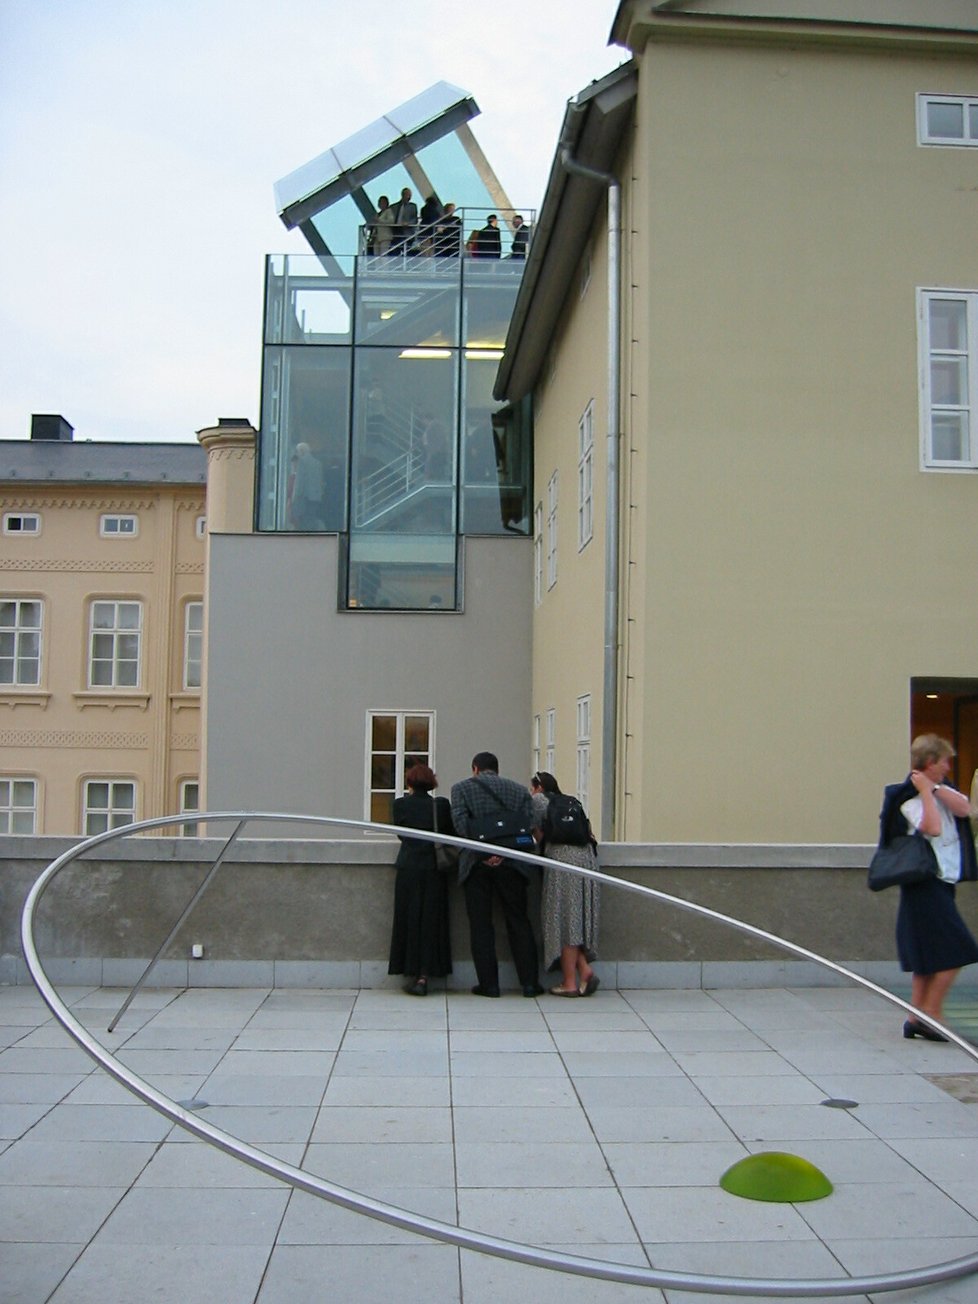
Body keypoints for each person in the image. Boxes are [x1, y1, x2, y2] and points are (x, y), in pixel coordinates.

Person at [878, 734, 978, 1040]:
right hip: (924, 885)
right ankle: (931, 1013)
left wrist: (933, 788)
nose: (949, 767)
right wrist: (924, 792)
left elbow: (965, 809)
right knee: (960, 949)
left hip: (943, 883)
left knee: (928, 957)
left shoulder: (940, 790)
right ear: (931, 762)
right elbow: (932, 828)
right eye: (945, 761)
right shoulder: (908, 799)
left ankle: (915, 1017)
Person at [451, 751, 543, 997]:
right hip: (513, 864)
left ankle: (489, 985)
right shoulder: (518, 790)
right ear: (497, 769)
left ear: (475, 769)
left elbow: (461, 826)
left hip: (475, 865)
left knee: (481, 925)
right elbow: (529, 825)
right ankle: (530, 983)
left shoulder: (461, 789)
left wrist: (484, 855)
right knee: (519, 921)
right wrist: (503, 853)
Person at [530, 772, 600, 996]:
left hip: (561, 862)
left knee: (564, 920)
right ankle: (584, 970)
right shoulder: (572, 801)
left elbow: (538, 835)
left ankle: (570, 983)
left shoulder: (538, 801)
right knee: (574, 919)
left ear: (538, 787)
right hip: (586, 860)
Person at [388, 763, 454, 996]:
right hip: (435, 868)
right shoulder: (441, 806)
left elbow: (401, 834)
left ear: (409, 782)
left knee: (409, 919)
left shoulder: (400, 805)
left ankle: (411, 970)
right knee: (431, 921)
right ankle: (426, 974)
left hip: (409, 867)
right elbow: (449, 834)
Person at [290, 443, 323, 530]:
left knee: (302, 521)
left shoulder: (302, 462)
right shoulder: (318, 463)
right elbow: (320, 482)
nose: (297, 454)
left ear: (302, 451)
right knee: (311, 519)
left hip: (303, 497)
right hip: (315, 497)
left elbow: (299, 481)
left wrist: (294, 497)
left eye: (297, 451)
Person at [392, 187, 418, 255]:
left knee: (408, 252)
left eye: (410, 195)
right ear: (403, 195)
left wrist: (408, 223)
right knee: (396, 251)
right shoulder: (394, 206)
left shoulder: (413, 206)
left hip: (407, 231)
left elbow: (415, 219)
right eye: (408, 195)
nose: (409, 197)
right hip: (396, 231)